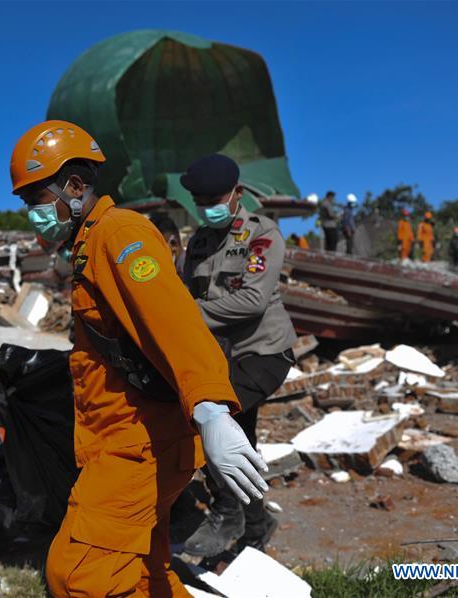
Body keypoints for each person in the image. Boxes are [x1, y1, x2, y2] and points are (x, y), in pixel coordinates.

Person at [9, 121, 268, 597]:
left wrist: (211, 409)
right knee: (147, 571)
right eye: (26, 203)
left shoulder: (120, 235)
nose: (34, 213)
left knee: (77, 577)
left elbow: (172, 321)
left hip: (140, 444)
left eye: (36, 200)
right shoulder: (88, 245)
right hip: (119, 437)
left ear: (74, 185)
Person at [179, 154, 297, 557]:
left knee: (213, 420)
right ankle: (257, 526)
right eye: (200, 200)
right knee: (239, 439)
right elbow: (181, 291)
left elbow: (252, 299)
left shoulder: (261, 236)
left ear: (237, 195)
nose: (207, 206)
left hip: (262, 352)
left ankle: (228, 513)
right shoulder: (197, 242)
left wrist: (187, 315)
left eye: (215, 198)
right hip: (220, 357)